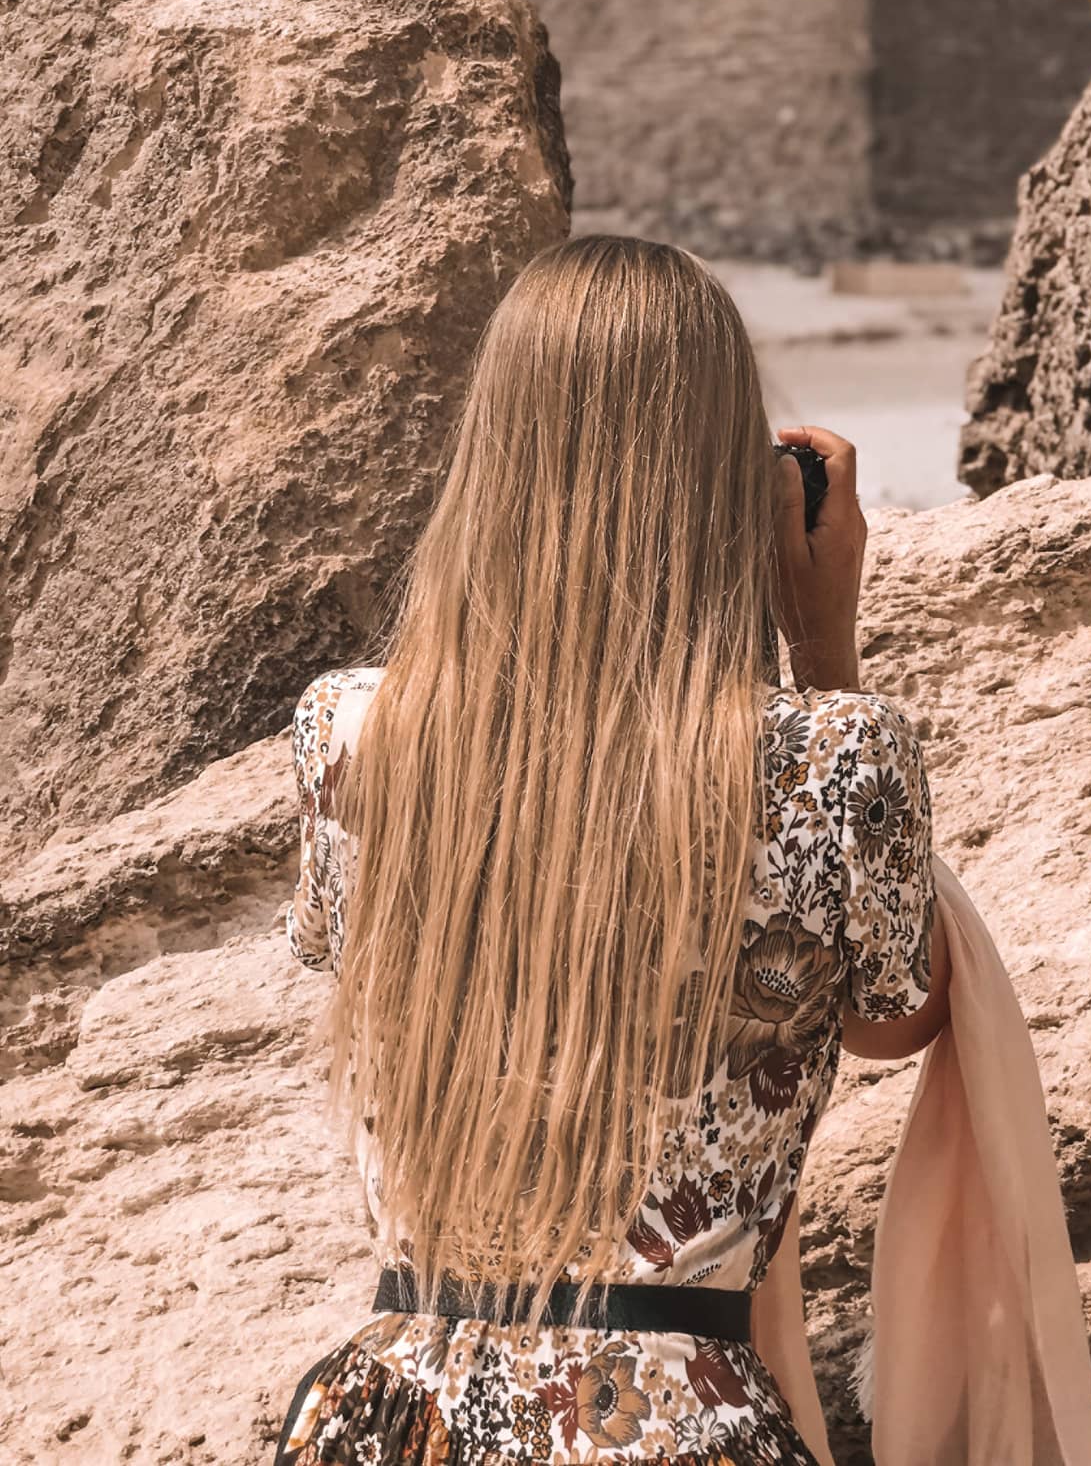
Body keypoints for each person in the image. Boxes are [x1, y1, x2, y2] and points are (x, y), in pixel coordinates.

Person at [273, 233, 953, 1465]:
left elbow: (350, 967)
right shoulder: (831, 759)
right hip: (671, 1419)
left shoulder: (351, 731)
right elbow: (896, 1017)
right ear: (728, 476)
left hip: (395, 1413)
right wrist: (823, 650)